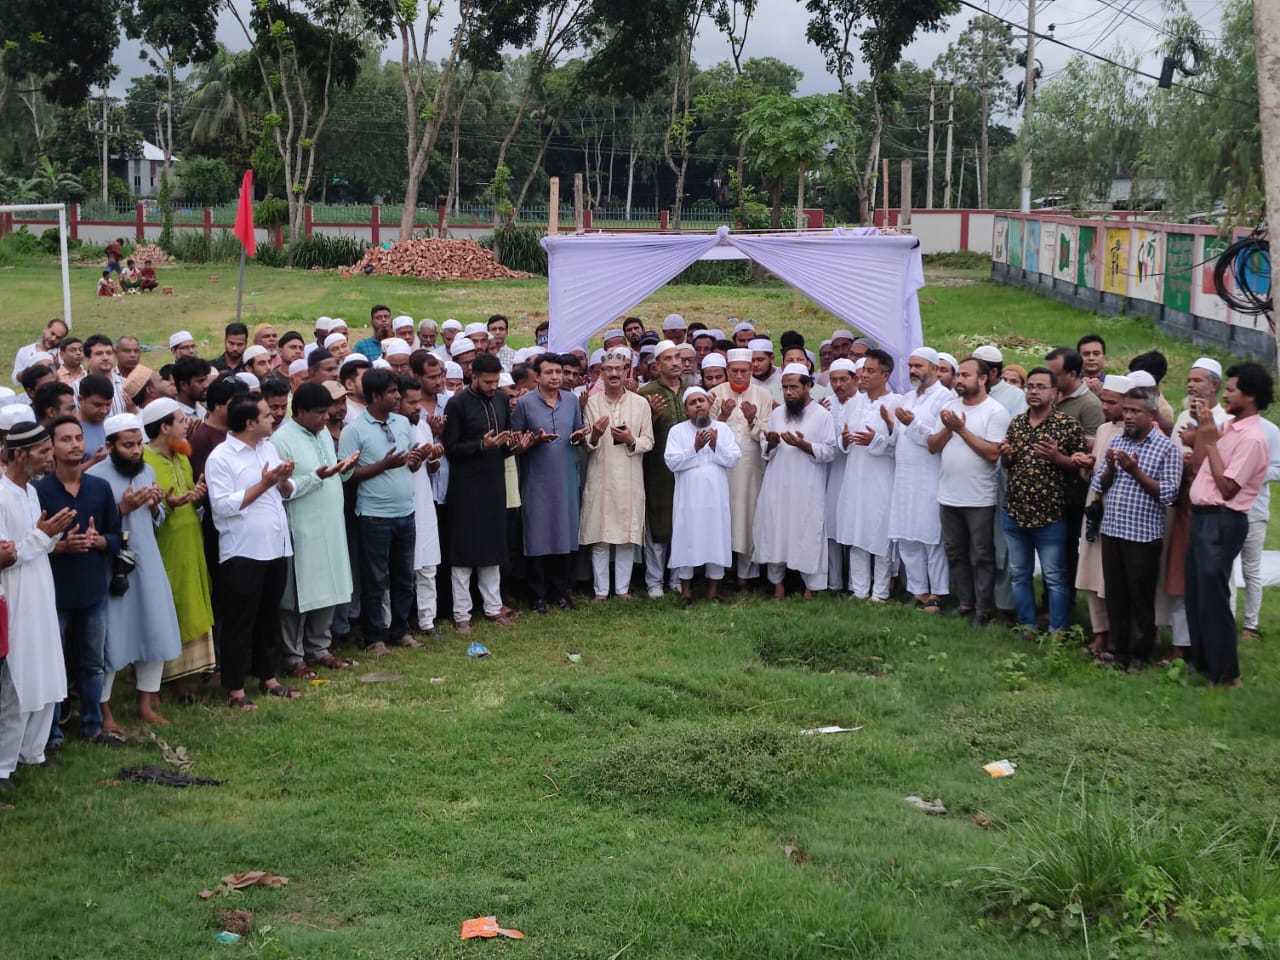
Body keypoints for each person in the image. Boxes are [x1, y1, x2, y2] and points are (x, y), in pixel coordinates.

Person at [205, 393, 300, 708]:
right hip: (243, 551)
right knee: (239, 621)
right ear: (249, 423)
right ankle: (235, 690)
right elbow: (221, 506)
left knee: (269, 616)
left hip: (275, 545)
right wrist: (264, 484)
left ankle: (268, 677)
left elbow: (285, 492)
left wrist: (283, 481)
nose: (273, 417)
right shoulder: (222, 457)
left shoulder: (268, 447)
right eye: (265, 414)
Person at [87, 414, 183, 727]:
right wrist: (122, 509)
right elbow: (92, 527)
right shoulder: (96, 478)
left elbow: (156, 522)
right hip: (113, 567)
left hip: (148, 562)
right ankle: (104, 710)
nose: (136, 451)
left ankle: (146, 704)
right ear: (110, 445)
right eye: (128, 446)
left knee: (153, 627)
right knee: (113, 637)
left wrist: (155, 505)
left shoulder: (147, 470)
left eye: (139, 444)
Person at [1185, 363, 1274, 686]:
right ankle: (1203, 663)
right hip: (1203, 519)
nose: (1225, 394)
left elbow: (1228, 488)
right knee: (1196, 592)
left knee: (1213, 597)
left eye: (1232, 389)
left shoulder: (1252, 439)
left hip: (1223, 522)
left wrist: (1209, 442)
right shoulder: (1229, 429)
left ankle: (1227, 674)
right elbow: (1198, 469)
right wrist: (1204, 437)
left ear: (1249, 396)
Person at [35, 416, 123, 743]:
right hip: (54, 594)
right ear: (52, 449)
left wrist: (99, 541)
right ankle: (52, 734)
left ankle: (93, 726)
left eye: (78, 438)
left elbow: (116, 536)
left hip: (92, 589)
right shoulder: (39, 492)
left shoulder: (99, 488)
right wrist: (62, 546)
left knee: (93, 663)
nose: (74, 445)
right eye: (65, 440)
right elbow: (30, 546)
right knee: (54, 666)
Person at [0, 423, 76, 791]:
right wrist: (41, 536)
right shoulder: (1, 494)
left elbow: (33, 544)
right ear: (18, 454)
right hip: (13, 596)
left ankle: (34, 751)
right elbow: (7, 556)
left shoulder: (29, 491)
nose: (51, 457)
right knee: (19, 678)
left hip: (41, 590)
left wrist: (52, 535)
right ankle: (4, 765)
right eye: (43, 452)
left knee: (46, 669)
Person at [1092, 388, 1181, 672]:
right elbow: (1098, 486)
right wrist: (1109, 469)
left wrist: (1135, 472)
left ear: (1151, 415)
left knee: (1140, 598)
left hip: (1142, 537)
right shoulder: (1118, 441)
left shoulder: (1167, 449)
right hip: (1113, 530)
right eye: (1126, 410)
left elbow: (1169, 494)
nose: (1127, 416)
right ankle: (1119, 652)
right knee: (1116, 595)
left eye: (1135, 411)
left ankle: (1141, 655)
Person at [272, 384, 359, 675]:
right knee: (299, 594)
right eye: (320, 413)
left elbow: (330, 473)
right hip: (302, 527)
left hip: (331, 524)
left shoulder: (321, 433)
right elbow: (282, 491)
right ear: (301, 411)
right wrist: (317, 477)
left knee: (330, 585)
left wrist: (343, 467)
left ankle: (319, 647)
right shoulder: (281, 440)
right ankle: (293, 656)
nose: (327, 418)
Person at [338, 369, 425, 656]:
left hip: (405, 511)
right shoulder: (354, 430)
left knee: (403, 576)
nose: (398, 397)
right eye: (391, 392)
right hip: (374, 515)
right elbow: (347, 475)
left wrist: (418, 459)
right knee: (375, 578)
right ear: (375, 396)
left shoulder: (402, 423)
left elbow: (409, 463)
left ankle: (400, 630)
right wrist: (382, 466)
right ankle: (374, 636)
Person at [998, 367, 1087, 636]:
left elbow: (1081, 468)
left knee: (1054, 576)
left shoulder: (1066, 425)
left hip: (1050, 514)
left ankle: (1057, 629)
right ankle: (1027, 624)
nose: (1033, 391)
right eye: (1030, 387)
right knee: (1019, 573)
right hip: (1015, 510)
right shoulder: (1017, 423)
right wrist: (1006, 455)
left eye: (1040, 387)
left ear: (1054, 393)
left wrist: (1058, 458)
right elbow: (1007, 464)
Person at [929, 357, 1012, 626]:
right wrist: (948, 429)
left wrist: (961, 429)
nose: (958, 380)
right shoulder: (950, 405)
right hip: (948, 494)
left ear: (983, 379)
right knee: (955, 551)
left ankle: (984, 609)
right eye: (958, 375)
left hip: (978, 498)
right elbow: (933, 445)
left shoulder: (995, 411)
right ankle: (965, 602)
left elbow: (991, 453)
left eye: (966, 375)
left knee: (982, 555)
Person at [141, 398, 216, 695]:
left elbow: (186, 497)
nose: (187, 425)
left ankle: (192, 671)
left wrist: (196, 495)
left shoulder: (181, 455)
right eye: (180, 420)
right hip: (165, 545)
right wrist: (167, 505)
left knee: (192, 600)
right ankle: (170, 680)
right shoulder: (145, 462)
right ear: (164, 427)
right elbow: (153, 506)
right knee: (171, 606)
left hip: (190, 541)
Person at [442, 353, 521, 633]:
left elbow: (505, 436)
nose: (491, 387)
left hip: (494, 483)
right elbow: (450, 448)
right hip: (466, 486)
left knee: (492, 548)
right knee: (463, 551)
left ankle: (492, 607)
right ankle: (461, 614)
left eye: (495, 381)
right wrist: (481, 446)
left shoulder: (500, 399)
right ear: (472, 376)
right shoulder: (458, 404)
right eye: (487, 382)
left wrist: (512, 443)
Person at [749, 364, 837, 599]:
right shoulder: (777, 414)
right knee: (776, 529)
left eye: (794, 387)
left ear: (808, 386)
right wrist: (772, 443)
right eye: (785, 387)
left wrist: (804, 445)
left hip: (807, 486)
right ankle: (777, 585)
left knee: (808, 531)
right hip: (777, 483)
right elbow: (767, 450)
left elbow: (830, 451)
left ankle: (811, 587)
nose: (788, 392)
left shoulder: (823, 415)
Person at [511, 354, 588, 613]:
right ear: (538, 376)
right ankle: (537, 595)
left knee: (563, 532)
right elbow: (515, 445)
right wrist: (533, 441)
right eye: (549, 373)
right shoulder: (524, 404)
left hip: (566, 476)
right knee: (537, 534)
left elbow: (578, 434)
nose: (556, 377)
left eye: (559, 372)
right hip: (537, 478)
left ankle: (561, 591)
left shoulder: (572, 402)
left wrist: (579, 436)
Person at [580, 347, 653, 600]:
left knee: (624, 537)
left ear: (626, 372)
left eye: (618, 369)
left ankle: (621, 589)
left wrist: (631, 439)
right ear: (601, 373)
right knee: (600, 535)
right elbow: (586, 444)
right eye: (608, 369)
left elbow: (649, 441)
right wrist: (596, 435)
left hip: (630, 477)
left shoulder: (640, 403)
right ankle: (601, 591)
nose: (613, 374)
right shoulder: (592, 402)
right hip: (600, 475)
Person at [887, 348, 953, 613]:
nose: (913, 371)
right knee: (906, 535)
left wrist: (913, 424)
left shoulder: (945, 399)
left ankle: (938, 593)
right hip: (904, 476)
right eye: (910, 366)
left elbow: (935, 441)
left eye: (918, 366)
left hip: (929, 476)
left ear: (935, 369)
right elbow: (899, 438)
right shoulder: (907, 397)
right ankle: (918, 591)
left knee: (931, 537)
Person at [664, 387, 741, 603]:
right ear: (686, 409)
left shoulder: (723, 429)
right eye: (692, 402)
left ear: (709, 404)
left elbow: (733, 459)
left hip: (716, 498)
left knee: (716, 538)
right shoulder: (677, 432)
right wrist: (694, 448)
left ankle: (713, 592)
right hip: (688, 498)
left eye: (702, 400)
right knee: (686, 539)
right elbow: (671, 462)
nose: (698, 405)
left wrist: (715, 445)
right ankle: (686, 592)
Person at [1074, 375, 1132, 652]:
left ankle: (1117, 636)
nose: (1105, 406)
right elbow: (1094, 470)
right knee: (1090, 571)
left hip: (1120, 513)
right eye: (1103, 400)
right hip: (1096, 506)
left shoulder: (1136, 432)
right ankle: (1100, 632)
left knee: (1112, 577)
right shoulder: (1103, 429)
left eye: (1112, 402)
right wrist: (1086, 463)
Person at [835, 350, 898, 601]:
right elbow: (843, 439)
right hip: (855, 476)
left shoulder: (897, 403)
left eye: (871, 371)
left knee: (879, 533)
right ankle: (859, 590)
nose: (864, 376)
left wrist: (878, 438)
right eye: (863, 371)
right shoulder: (854, 403)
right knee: (856, 530)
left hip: (881, 477)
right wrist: (845, 440)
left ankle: (880, 593)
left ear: (885, 375)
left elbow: (899, 445)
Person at [638, 341, 689, 597]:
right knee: (658, 525)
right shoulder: (646, 393)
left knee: (683, 524)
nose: (675, 362)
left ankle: (678, 579)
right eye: (668, 359)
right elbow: (638, 433)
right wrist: (652, 416)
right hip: (658, 470)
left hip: (689, 470)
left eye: (678, 357)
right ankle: (654, 582)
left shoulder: (693, 390)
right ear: (657, 366)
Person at [822, 358, 859, 591]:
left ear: (855, 379)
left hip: (856, 472)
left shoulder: (863, 404)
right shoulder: (827, 404)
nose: (838, 384)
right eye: (834, 380)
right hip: (832, 473)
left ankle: (856, 583)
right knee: (832, 526)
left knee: (855, 527)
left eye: (843, 379)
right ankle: (834, 582)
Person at [12, 319, 67, 388]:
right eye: (52, 333)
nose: (53, 339)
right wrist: (31, 371)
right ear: (45, 329)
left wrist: (58, 368)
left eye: (58, 337)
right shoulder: (25, 351)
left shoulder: (63, 354)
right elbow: (16, 382)